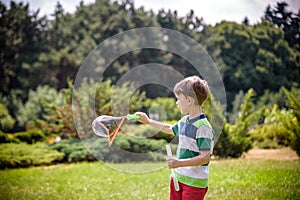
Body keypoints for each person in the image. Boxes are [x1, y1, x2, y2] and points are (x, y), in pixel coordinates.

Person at [135, 76, 214, 200]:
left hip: (194, 183)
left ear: (189, 100)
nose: (176, 102)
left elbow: (205, 157)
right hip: (178, 178)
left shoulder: (203, 127)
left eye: (178, 98)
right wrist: (148, 121)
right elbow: (170, 129)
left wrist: (179, 163)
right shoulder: (184, 121)